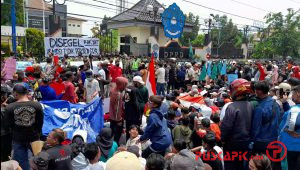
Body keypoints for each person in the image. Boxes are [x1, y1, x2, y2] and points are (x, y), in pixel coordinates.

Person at [5, 84, 44, 170]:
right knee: (39, 161)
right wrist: (37, 134)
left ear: (15, 93)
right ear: (26, 92)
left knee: (21, 163)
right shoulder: (37, 105)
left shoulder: (10, 107)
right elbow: (40, 122)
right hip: (34, 137)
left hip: (18, 138)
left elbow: (8, 125)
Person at [221, 79, 253, 170]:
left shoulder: (232, 107)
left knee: (231, 165)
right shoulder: (250, 105)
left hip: (232, 144)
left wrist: (223, 139)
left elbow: (226, 126)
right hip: (246, 142)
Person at [251, 80, 281, 155]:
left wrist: (252, 141)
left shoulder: (260, 108)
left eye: (256, 89)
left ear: (259, 91)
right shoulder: (275, 103)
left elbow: (256, 127)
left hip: (262, 142)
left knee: (261, 164)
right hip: (274, 140)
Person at [279, 85, 300, 170]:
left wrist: (290, 130)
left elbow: (293, 121)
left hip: (290, 145)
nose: (292, 96)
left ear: (298, 94)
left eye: (293, 93)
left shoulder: (295, 109)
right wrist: (284, 103)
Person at [109, 77, 128, 144]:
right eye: (125, 85)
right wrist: (119, 120)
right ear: (121, 84)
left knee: (112, 132)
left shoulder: (113, 90)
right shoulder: (118, 94)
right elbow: (117, 109)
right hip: (117, 118)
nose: (125, 87)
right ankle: (115, 146)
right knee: (117, 135)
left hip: (111, 116)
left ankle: (110, 144)